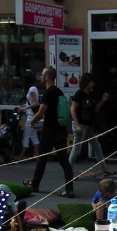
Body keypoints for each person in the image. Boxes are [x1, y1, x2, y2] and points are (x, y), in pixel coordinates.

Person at [23, 67, 76, 197]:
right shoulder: (59, 92)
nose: (41, 77)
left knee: (42, 158)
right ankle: (69, 189)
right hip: (60, 130)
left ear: (47, 77)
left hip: (49, 131)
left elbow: (41, 112)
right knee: (64, 160)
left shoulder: (48, 93)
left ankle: (35, 185)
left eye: (42, 75)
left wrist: (32, 122)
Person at [69, 73, 115, 176]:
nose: (93, 84)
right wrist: (77, 124)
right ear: (87, 82)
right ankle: (69, 172)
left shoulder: (90, 94)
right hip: (80, 124)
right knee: (76, 149)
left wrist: (103, 100)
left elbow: (95, 109)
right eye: (92, 82)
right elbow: (72, 109)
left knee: (96, 146)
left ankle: (104, 169)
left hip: (88, 125)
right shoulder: (79, 94)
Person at [17, 84, 41, 159]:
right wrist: (24, 106)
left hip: (31, 116)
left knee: (26, 135)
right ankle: (36, 154)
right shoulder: (34, 89)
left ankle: (21, 155)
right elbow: (31, 102)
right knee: (33, 135)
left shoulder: (32, 90)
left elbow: (35, 103)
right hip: (32, 115)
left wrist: (25, 108)